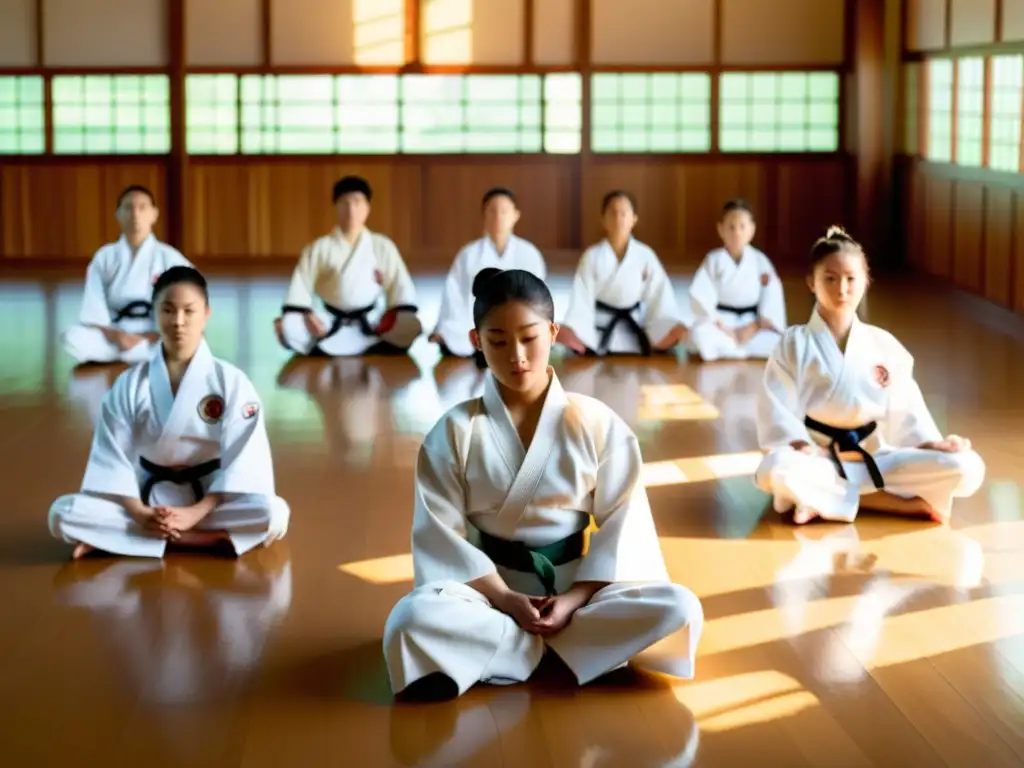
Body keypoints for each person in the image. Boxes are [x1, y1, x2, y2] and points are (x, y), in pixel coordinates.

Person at [383, 267, 703, 700]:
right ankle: (572, 650)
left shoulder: (596, 423)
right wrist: (506, 598)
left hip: (582, 595)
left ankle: (510, 650)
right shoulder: (454, 431)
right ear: (476, 341)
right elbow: (440, 538)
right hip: (489, 593)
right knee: (410, 620)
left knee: (681, 607)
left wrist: (573, 598)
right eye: (497, 340)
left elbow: (625, 526)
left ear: (553, 332)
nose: (516, 354)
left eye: (529, 337)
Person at [49, 266, 291, 559]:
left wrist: (195, 513)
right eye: (167, 310)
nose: (178, 321)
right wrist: (138, 513)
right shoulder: (129, 384)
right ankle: (203, 540)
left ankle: (136, 540)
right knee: (61, 514)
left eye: (189, 311)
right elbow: (112, 457)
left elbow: (246, 461)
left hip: (209, 498)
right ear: (154, 313)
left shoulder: (231, 381)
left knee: (273, 512)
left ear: (206, 314)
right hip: (146, 498)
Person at [754, 226, 986, 524]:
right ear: (811, 282)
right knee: (776, 467)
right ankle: (884, 502)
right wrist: (799, 445)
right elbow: (777, 410)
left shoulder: (883, 344)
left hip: (877, 459)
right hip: (817, 459)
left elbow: (908, 413)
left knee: (968, 466)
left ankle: (829, 500)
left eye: (851, 279)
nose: (842, 289)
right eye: (830, 278)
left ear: (865, 282)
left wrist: (931, 443)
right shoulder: (793, 344)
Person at [275, 175, 421, 357]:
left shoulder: (382, 246)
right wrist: (306, 314)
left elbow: (400, 285)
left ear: (368, 207)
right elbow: (301, 286)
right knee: (290, 324)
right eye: (344, 203)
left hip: (372, 321)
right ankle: (307, 338)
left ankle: (374, 340)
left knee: (411, 323)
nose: (351, 210)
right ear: (335, 207)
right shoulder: (319, 248)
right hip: (327, 322)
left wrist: (392, 314)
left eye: (358, 202)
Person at [61, 185, 192, 365]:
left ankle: (129, 354)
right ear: (118, 214)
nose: (135, 214)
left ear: (154, 214)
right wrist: (116, 336)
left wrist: (150, 335)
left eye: (142, 207)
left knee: (191, 339)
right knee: (72, 336)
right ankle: (141, 355)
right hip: (115, 332)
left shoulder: (170, 258)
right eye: (128, 207)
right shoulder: (105, 257)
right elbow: (94, 305)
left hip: (156, 332)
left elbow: (188, 303)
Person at [557, 190, 687, 356]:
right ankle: (582, 338)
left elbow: (659, 295)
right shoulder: (591, 256)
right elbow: (581, 300)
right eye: (612, 213)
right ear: (603, 219)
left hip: (634, 327)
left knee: (671, 326)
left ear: (634, 219)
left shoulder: (645, 255)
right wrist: (576, 327)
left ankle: (658, 336)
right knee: (575, 329)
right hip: (599, 327)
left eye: (624, 213)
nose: (618, 218)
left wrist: (666, 325)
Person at [429, 187, 547, 367]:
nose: (498, 217)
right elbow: (453, 295)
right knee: (454, 333)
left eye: (504, 211)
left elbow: (538, 296)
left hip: (516, 320)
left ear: (516, 215)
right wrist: (446, 326)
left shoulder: (529, 253)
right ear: (483, 215)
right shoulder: (468, 254)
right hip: (473, 321)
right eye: (492, 211)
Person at [687, 199, 786, 361]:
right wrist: (726, 329)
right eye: (731, 227)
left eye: (742, 226)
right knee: (699, 335)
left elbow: (772, 299)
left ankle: (731, 350)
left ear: (752, 230)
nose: (736, 232)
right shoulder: (713, 260)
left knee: (781, 342)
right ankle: (738, 349)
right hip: (721, 323)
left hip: (753, 324)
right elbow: (700, 297)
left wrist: (753, 327)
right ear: (721, 229)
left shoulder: (760, 261)